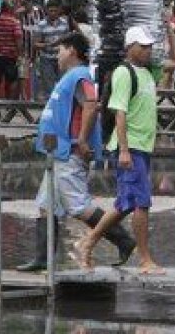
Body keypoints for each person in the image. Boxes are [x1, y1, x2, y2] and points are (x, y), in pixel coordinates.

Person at [17, 32, 135, 272]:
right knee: (45, 205)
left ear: (72, 50)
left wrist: (81, 139)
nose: (57, 55)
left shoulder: (80, 76)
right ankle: (43, 258)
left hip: (68, 151)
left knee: (79, 206)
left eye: (60, 49)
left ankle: (124, 239)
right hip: (57, 152)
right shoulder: (71, 77)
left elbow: (90, 104)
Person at [75, 26, 163, 274]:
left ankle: (86, 242)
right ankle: (145, 259)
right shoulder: (124, 73)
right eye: (142, 46)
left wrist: (169, 29)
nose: (148, 50)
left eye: (149, 46)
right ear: (129, 47)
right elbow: (119, 112)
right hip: (131, 146)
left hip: (143, 147)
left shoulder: (147, 73)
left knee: (124, 203)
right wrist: (124, 150)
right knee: (141, 203)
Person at [32, 1, 70, 101]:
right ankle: (51, 109)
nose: (53, 13)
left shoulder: (65, 24)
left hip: (61, 59)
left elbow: (68, 40)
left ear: (59, 11)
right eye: (51, 10)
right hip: (46, 59)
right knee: (49, 87)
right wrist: (48, 45)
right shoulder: (41, 25)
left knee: (63, 85)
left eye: (55, 10)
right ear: (46, 11)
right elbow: (35, 44)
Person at [0, 0, 24, 100]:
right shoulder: (14, 21)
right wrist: (20, 54)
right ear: (9, 8)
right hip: (10, 56)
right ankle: (10, 105)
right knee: (13, 80)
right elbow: (18, 39)